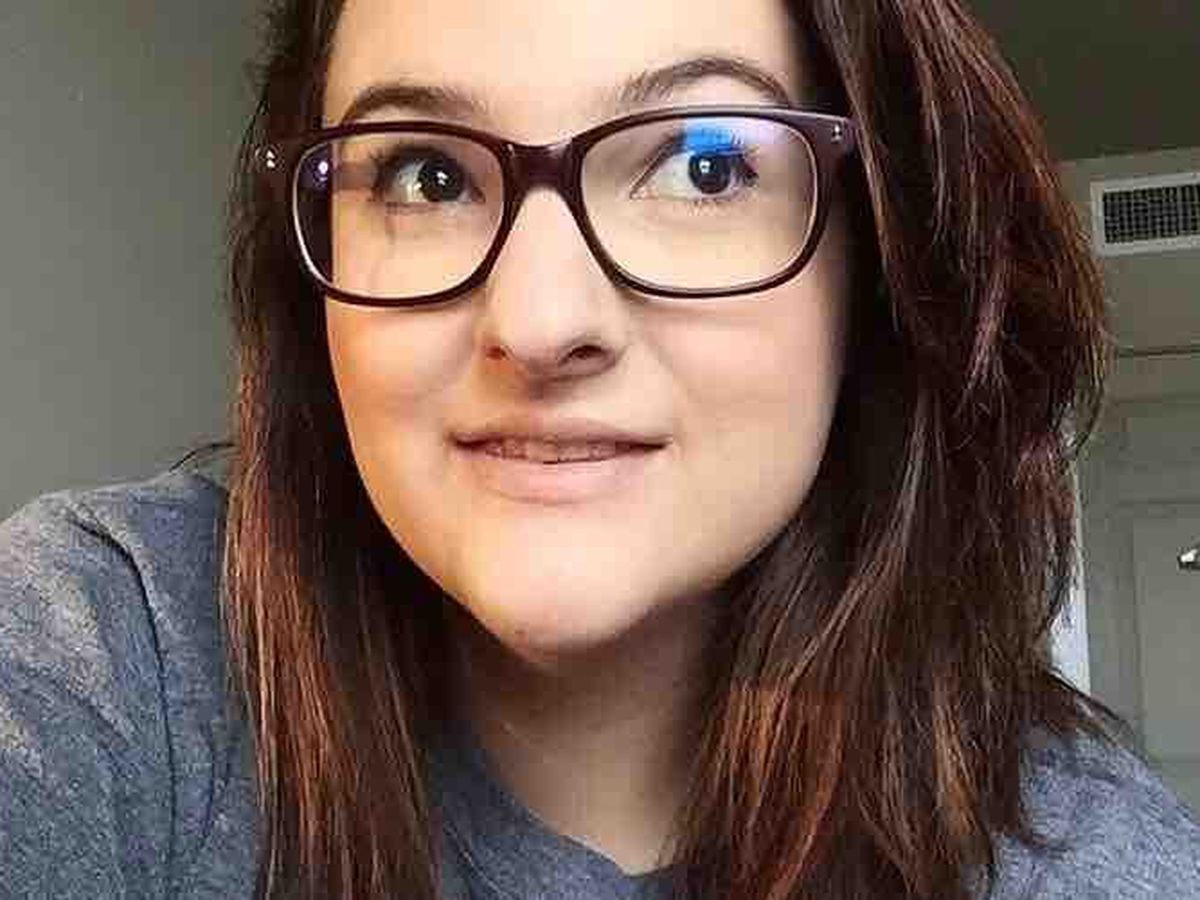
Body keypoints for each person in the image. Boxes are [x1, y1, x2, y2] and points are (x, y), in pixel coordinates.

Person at [2, 0, 1198, 897]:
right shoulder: (106, 658)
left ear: (879, 262)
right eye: (426, 174)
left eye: (704, 166)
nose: (539, 322)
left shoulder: (1088, 861)